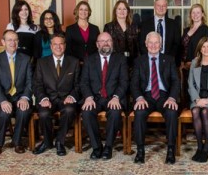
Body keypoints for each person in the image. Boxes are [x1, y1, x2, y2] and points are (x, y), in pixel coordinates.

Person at [131, 31, 180, 164]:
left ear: (161, 44)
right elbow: (134, 83)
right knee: (139, 113)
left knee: (171, 112)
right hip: (146, 96)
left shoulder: (169, 59)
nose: (153, 45)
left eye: (156, 42)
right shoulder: (139, 61)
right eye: (150, 43)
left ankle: (170, 150)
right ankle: (140, 151)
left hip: (164, 96)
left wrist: (172, 98)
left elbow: (176, 81)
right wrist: (139, 97)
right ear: (146, 44)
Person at [80, 32, 129, 160]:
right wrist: (88, 97)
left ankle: (108, 146)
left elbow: (124, 81)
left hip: (113, 97)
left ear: (112, 43)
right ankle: (97, 147)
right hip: (95, 98)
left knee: (115, 112)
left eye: (108, 41)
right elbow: (84, 82)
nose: (106, 43)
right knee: (86, 112)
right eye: (102, 41)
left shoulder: (120, 59)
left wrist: (116, 97)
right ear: (97, 44)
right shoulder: (89, 60)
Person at [33, 33, 80, 156]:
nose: (58, 47)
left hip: (67, 99)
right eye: (55, 44)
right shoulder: (41, 62)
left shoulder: (74, 62)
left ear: (65, 45)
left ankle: (60, 141)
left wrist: (72, 96)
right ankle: (47, 142)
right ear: (51, 46)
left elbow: (78, 84)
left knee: (70, 110)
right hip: (48, 98)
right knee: (43, 113)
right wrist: (43, 98)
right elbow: (37, 84)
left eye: (61, 44)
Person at [0, 30, 33, 155]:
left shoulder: (25, 59)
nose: (12, 43)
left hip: (19, 96)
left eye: (15, 40)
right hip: (2, 96)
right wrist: (3, 100)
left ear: (18, 42)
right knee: (4, 113)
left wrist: (25, 97)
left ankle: (17, 142)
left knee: (24, 111)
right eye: (9, 40)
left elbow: (30, 82)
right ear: (3, 42)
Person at [139, 0, 181, 66]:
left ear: (166, 7)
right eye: (158, 5)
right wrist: (150, 57)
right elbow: (142, 44)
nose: (161, 8)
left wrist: (168, 59)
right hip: (149, 62)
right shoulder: (145, 24)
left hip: (169, 62)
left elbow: (177, 44)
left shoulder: (174, 24)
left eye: (163, 6)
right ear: (154, 7)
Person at [103, 0, 138, 67]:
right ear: (115, 11)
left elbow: (137, 47)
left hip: (132, 63)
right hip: (114, 63)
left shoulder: (134, 27)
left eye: (124, 9)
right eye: (119, 9)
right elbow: (105, 47)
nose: (122, 11)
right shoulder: (108, 27)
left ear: (127, 11)